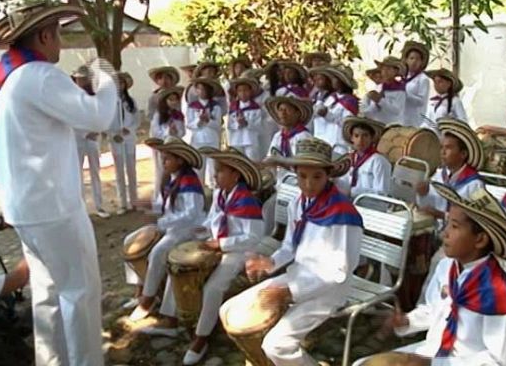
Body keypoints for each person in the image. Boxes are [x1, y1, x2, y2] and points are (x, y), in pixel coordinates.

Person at [0, 2, 117, 365]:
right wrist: (105, 74)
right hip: (54, 207)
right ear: (44, 36)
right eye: (58, 33)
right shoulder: (40, 74)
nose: (60, 41)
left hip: (26, 208)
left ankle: (52, 361)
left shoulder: (8, 77)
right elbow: (100, 116)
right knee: (80, 292)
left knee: (47, 291)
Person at [354, 184, 506, 366]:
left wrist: (434, 364)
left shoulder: (499, 297)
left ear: (480, 239)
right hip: (432, 351)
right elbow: (433, 310)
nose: (445, 233)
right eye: (447, 224)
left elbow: (498, 361)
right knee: (362, 364)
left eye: (454, 226)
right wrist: (406, 320)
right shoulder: (447, 267)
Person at [232, 137, 362, 366]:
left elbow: (338, 272)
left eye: (317, 177)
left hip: (330, 289)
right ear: (295, 173)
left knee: (276, 345)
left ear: (328, 175)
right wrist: (269, 262)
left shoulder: (343, 214)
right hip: (298, 276)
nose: (309, 184)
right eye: (302, 176)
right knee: (231, 309)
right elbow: (290, 247)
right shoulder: (297, 204)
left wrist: (290, 292)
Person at [172, 148, 265, 364]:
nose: (215, 175)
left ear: (236, 175)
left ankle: (201, 337)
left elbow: (254, 236)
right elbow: (213, 219)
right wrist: (202, 232)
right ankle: (175, 315)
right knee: (177, 266)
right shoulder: (219, 194)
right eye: (216, 170)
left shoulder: (246, 200)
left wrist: (222, 244)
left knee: (213, 287)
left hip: (240, 251)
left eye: (220, 171)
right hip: (218, 245)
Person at [126, 137, 207, 320]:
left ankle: (148, 300)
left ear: (180, 160)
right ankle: (140, 289)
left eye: (167, 159)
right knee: (130, 241)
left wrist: (162, 223)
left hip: (190, 229)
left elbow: (191, 214)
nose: (163, 163)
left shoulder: (189, 181)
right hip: (172, 225)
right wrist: (148, 206)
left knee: (158, 251)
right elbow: (165, 206)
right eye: (162, 159)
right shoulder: (172, 179)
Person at [416, 118, 486, 221]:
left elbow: (479, 218)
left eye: (448, 148)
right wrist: (423, 194)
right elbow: (430, 205)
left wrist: (443, 215)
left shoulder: (476, 185)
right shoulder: (439, 175)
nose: (442, 152)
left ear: (463, 154)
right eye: (441, 147)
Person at [72, 65, 110, 218]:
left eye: (84, 78)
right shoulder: (72, 97)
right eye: (79, 78)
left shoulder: (95, 96)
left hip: (93, 138)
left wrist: (97, 130)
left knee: (95, 172)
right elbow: (71, 119)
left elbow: (100, 116)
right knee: (78, 173)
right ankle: (81, 208)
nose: (82, 81)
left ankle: (99, 205)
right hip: (78, 138)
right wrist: (84, 133)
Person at [312, 64, 360, 157]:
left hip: (338, 145)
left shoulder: (350, 101)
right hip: (322, 141)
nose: (333, 81)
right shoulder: (330, 98)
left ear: (342, 82)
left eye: (335, 78)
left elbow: (347, 123)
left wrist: (327, 115)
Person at [336, 116, 391, 198]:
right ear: (352, 138)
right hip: (348, 203)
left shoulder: (379, 161)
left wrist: (354, 192)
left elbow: (382, 193)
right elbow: (346, 184)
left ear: (372, 138)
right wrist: (334, 179)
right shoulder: (349, 159)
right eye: (356, 136)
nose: (360, 140)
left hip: (369, 207)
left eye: (365, 136)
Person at [150, 86, 186, 207]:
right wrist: (167, 132)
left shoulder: (178, 115)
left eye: (175, 99)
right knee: (161, 173)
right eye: (170, 99)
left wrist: (176, 132)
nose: (173, 102)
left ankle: (174, 198)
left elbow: (183, 131)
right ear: (165, 101)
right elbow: (155, 132)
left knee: (175, 172)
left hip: (175, 147)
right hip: (163, 147)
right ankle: (159, 199)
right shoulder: (158, 115)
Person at [109, 71, 140, 215]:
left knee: (131, 170)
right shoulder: (108, 101)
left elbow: (136, 120)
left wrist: (129, 130)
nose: (118, 85)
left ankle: (134, 201)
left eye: (121, 83)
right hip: (116, 139)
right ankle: (122, 203)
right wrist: (113, 134)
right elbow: (106, 121)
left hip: (128, 138)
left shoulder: (131, 101)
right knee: (119, 171)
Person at [186, 77, 224, 189]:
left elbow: (218, 125)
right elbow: (189, 124)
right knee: (198, 168)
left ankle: (215, 193)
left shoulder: (215, 106)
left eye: (204, 89)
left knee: (214, 169)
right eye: (199, 89)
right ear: (196, 90)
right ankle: (200, 192)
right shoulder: (192, 106)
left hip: (212, 139)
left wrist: (208, 121)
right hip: (197, 140)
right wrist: (199, 121)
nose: (202, 92)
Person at [228, 75, 264, 161]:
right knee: (238, 164)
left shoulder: (256, 107)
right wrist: (238, 124)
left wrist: (247, 123)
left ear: (250, 91)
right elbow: (229, 125)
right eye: (240, 91)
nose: (243, 93)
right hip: (236, 140)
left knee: (252, 163)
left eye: (246, 90)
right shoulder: (233, 107)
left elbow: (259, 127)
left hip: (250, 140)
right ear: (237, 92)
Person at [362, 56, 407, 125]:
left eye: (389, 68)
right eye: (383, 69)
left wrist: (380, 100)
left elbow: (397, 110)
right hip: (378, 125)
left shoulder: (400, 89)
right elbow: (371, 112)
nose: (385, 71)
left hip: (394, 127)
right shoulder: (378, 88)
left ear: (396, 71)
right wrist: (372, 104)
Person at [401, 41, 431, 127]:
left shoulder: (423, 79)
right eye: (411, 58)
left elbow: (421, 101)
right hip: (401, 119)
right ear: (406, 60)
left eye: (418, 59)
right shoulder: (403, 77)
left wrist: (406, 94)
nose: (414, 62)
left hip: (415, 121)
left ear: (422, 62)